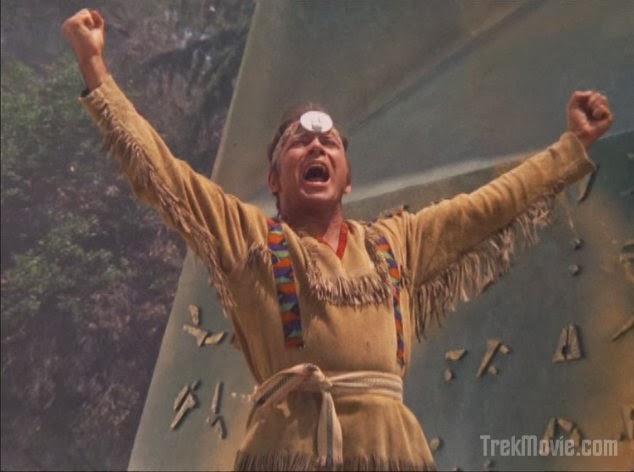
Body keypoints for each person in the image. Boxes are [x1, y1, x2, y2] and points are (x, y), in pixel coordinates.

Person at [63, 8, 613, 472]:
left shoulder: (397, 244)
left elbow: (487, 208)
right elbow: (163, 174)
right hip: (288, 454)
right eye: (298, 142)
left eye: (330, 143)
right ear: (274, 179)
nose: (316, 147)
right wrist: (95, 68)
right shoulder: (249, 239)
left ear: (348, 179)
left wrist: (570, 147)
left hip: (393, 454)